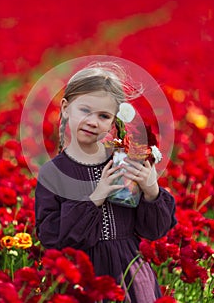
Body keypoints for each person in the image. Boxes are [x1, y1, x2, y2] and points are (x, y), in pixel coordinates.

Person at [35, 61, 177, 303]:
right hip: (83, 278)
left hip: (131, 275)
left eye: (103, 116)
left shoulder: (124, 161)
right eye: (85, 110)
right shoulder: (53, 174)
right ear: (66, 108)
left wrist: (151, 189)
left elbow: (154, 231)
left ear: (113, 123)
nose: (93, 121)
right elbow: (51, 237)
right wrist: (94, 198)